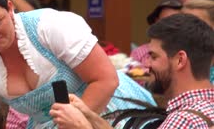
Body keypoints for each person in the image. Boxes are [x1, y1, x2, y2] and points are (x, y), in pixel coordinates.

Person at [0, 0, 155, 128]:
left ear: (10, 7)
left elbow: (106, 80)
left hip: (107, 113)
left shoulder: (48, 26)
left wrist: (77, 122)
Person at [50, 13, 214, 128]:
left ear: (180, 60)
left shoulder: (183, 121)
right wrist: (90, 116)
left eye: (154, 57)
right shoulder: (205, 109)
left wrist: (82, 126)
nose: (147, 64)